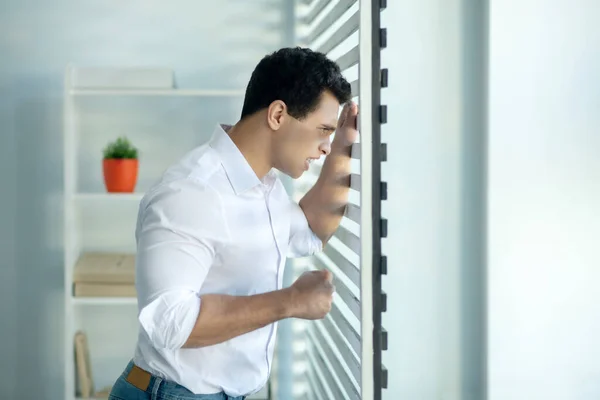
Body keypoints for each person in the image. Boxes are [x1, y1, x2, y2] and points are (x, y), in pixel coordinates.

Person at [108, 46, 357, 400]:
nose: (325, 147)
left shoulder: (264, 187)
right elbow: (169, 322)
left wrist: (346, 143)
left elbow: (312, 228)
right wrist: (291, 301)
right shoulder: (193, 191)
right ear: (277, 114)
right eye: (322, 131)